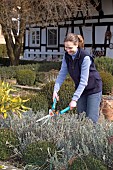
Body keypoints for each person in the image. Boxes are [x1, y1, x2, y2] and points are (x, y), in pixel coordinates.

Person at [53, 33, 102, 123]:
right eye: (66, 48)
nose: (68, 50)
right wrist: (55, 90)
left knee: (91, 119)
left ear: (77, 45)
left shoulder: (85, 57)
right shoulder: (66, 56)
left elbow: (84, 81)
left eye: (70, 48)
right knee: (81, 118)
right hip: (81, 90)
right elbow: (62, 74)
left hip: (93, 88)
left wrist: (74, 99)